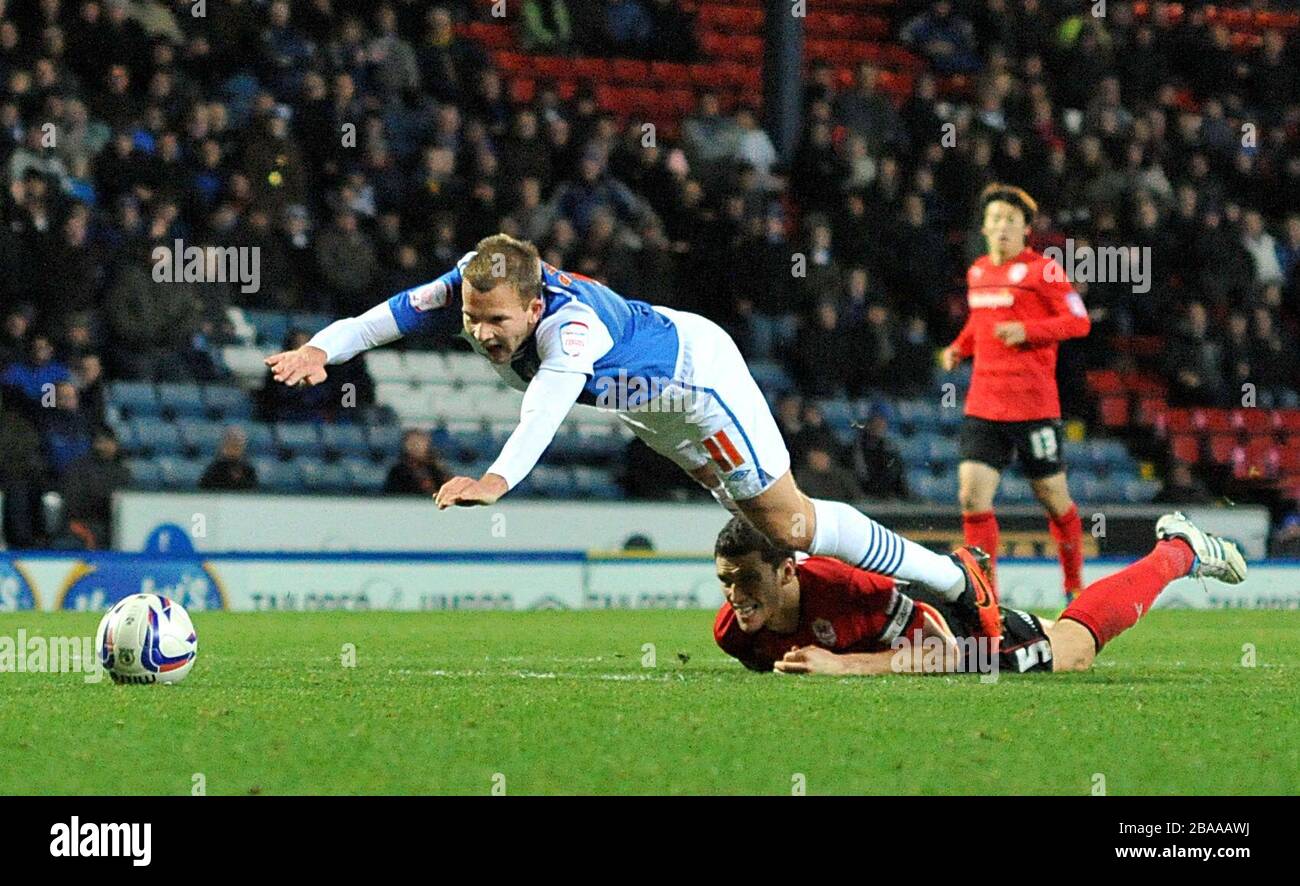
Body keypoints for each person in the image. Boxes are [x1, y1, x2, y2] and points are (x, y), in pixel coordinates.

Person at [266, 232, 1003, 641]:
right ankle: (895, 603)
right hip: (645, 405)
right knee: (762, 525)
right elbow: (381, 318)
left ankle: (951, 577)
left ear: (532, 305)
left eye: (498, 323)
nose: (483, 334)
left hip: (697, 385)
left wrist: (496, 480)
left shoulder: (571, 330)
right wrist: (320, 352)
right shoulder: (471, 280)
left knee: (791, 521)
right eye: (471, 321)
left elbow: (546, 407)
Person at [713, 512, 1246, 676]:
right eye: (726, 581)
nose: (735, 596)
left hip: (950, 622)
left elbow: (947, 653)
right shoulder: (733, 634)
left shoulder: (848, 588)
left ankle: (1179, 550)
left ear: (787, 571)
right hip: (904, 635)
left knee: (1074, 650)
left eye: (747, 580)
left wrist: (848, 667)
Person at [941, 184, 1091, 600]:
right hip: (984, 405)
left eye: (1011, 220)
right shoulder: (977, 272)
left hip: (1033, 407)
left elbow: (1079, 322)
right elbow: (981, 323)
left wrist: (1029, 331)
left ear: (1026, 229)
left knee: (1053, 498)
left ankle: (1074, 585)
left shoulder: (1044, 270)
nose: (1002, 227)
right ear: (985, 228)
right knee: (971, 496)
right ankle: (986, 595)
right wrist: (960, 347)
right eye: (996, 220)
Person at [384, 429, 450, 495]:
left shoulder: (435, 468)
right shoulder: (397, 471)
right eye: (413, 443)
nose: (417, 447)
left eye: (421, 443)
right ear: (405, 446)